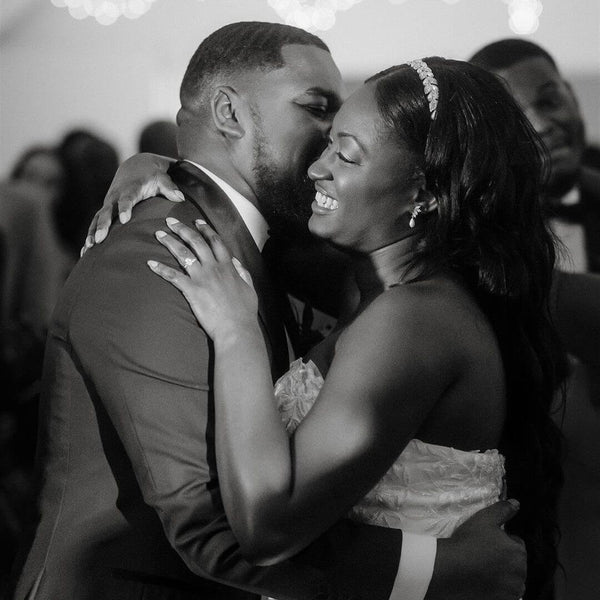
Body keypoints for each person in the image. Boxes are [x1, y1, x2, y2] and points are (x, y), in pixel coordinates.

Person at [9, 23, 525, 600]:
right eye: (316, 109)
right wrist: (439, 569)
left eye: (344, 140)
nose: (325, 144)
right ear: (228, 111)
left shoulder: (344, 273)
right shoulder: (159, 257)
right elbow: (212, 526)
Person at [145, 57, 566, 600]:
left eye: (344, 153)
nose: (317, 168)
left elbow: (268, 528)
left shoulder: (413, 321)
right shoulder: (373, 288)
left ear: (425, 193)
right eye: (326, 143)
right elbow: (234, 201)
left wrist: (236, 333)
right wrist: (148, 167)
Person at [470, 39, 600, 600]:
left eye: (550, 101)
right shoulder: (466, 248)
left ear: (571, 95)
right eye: (519, 118)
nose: (544, 125)